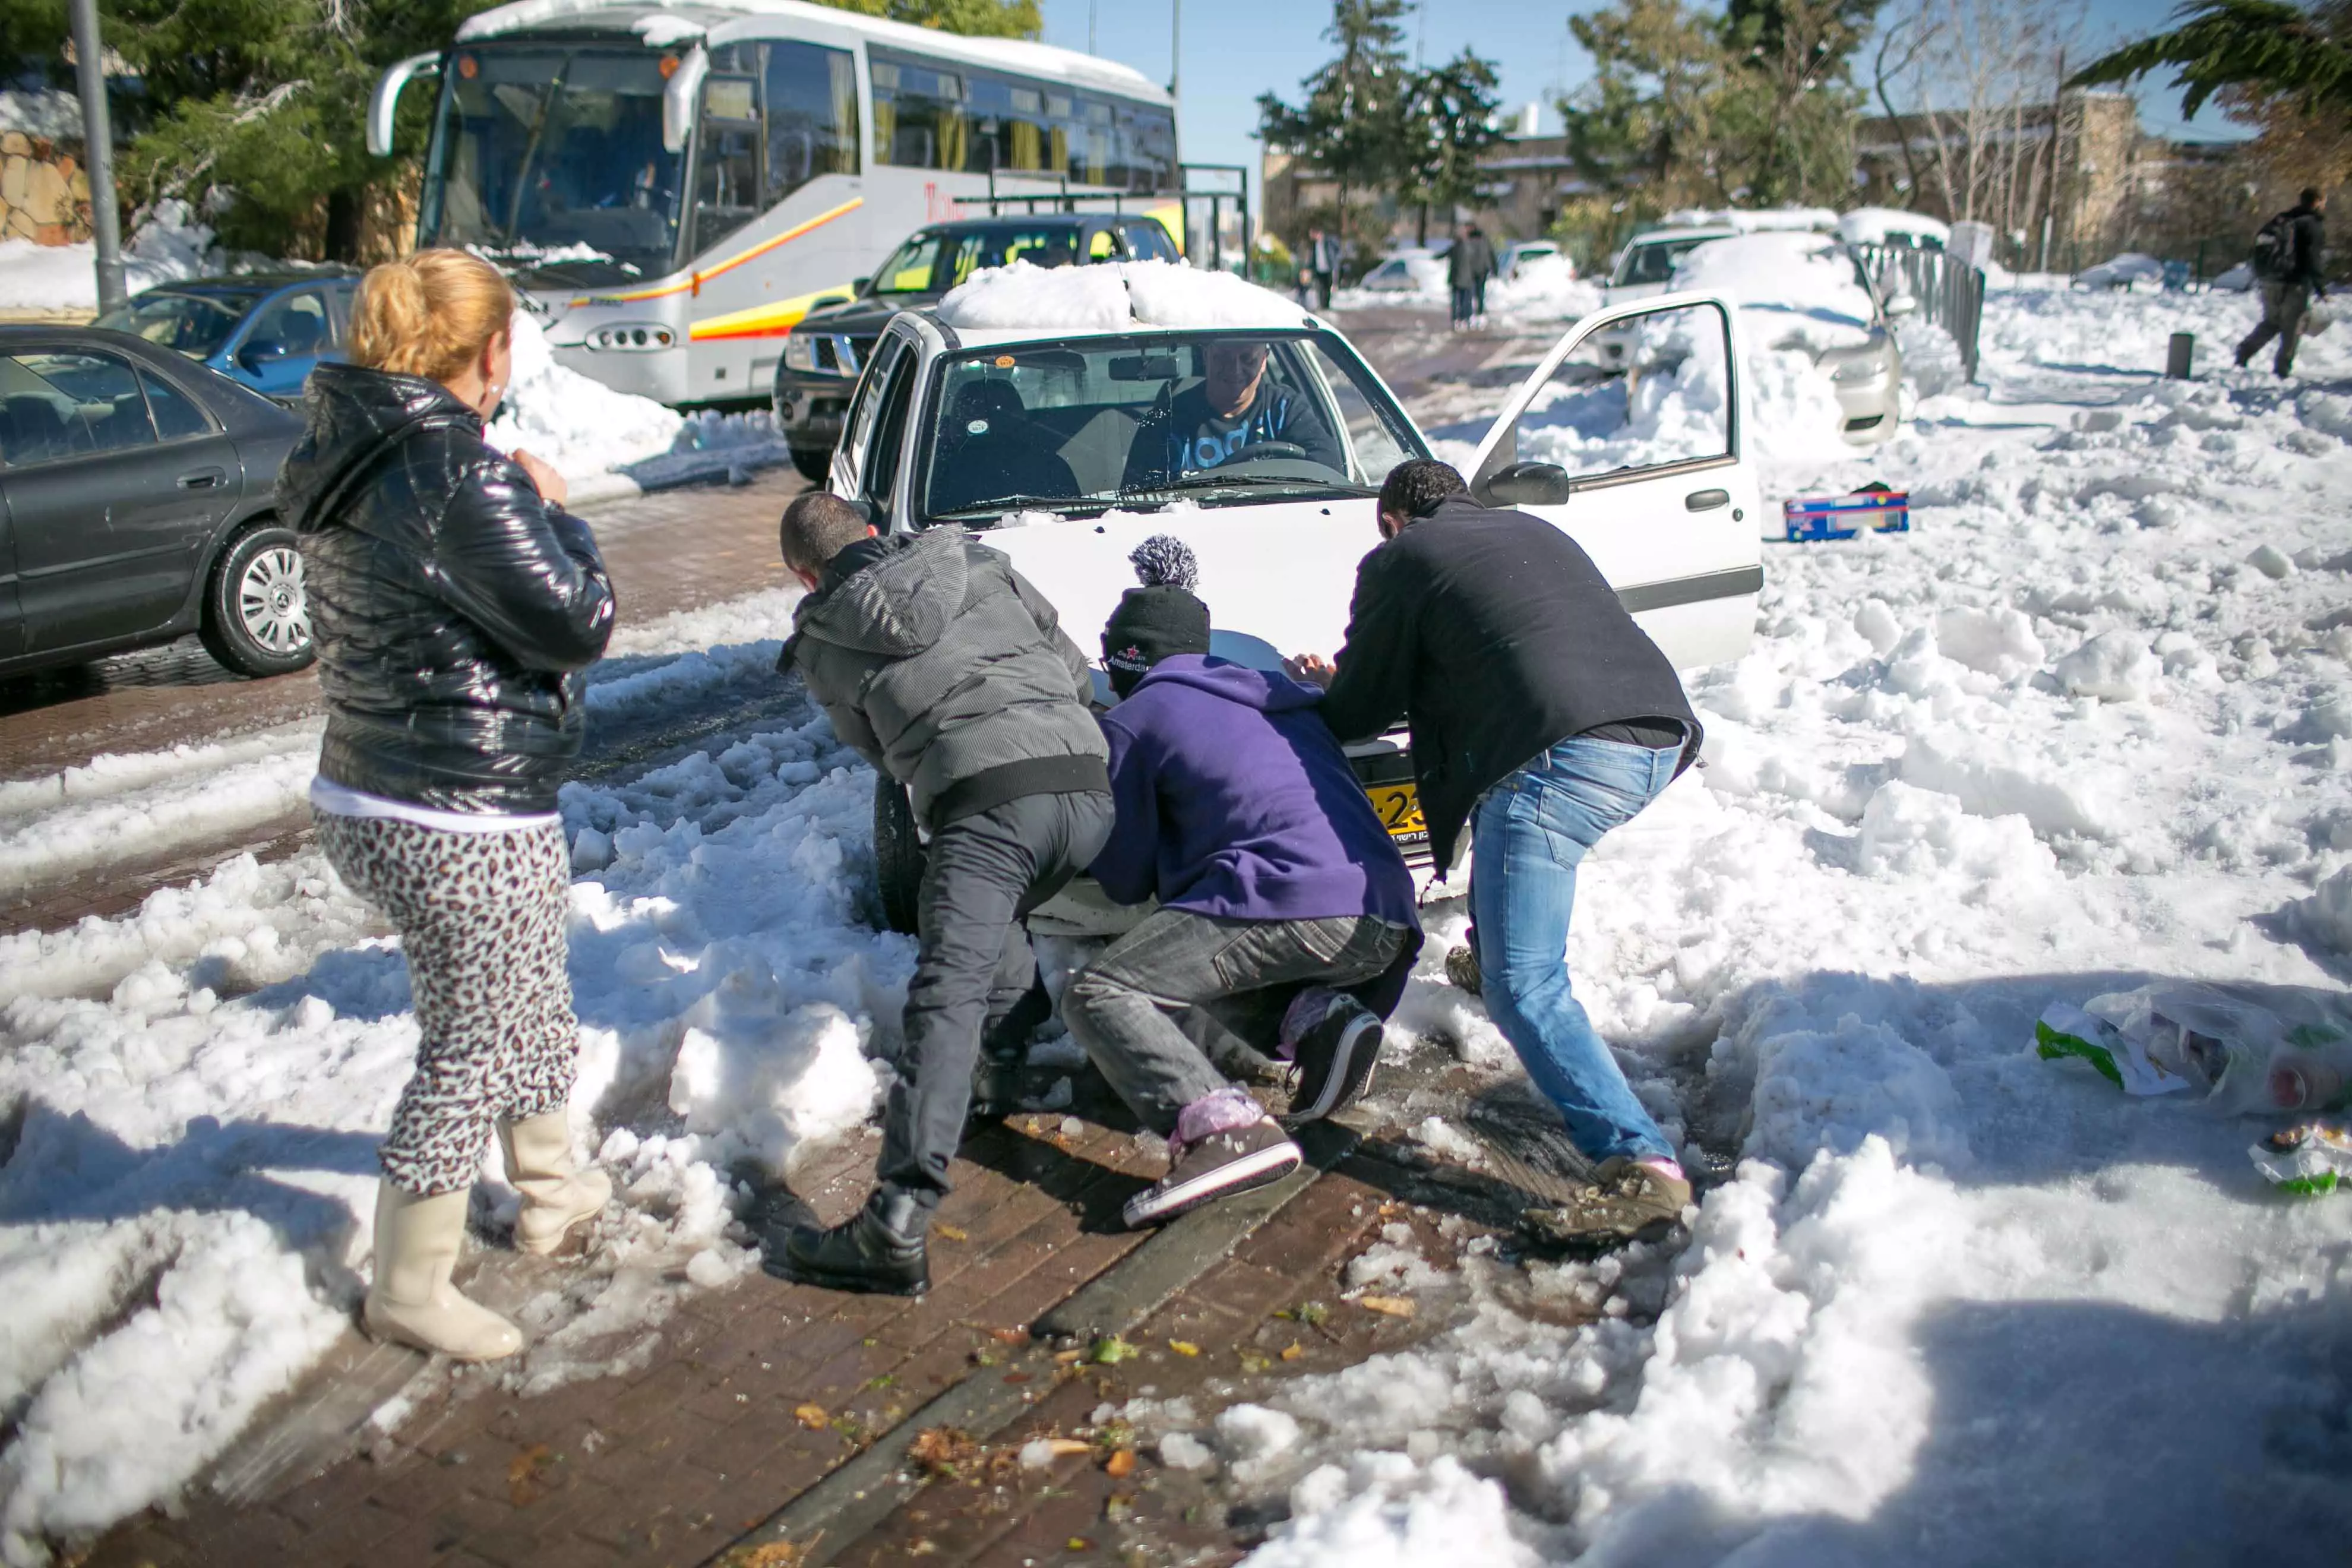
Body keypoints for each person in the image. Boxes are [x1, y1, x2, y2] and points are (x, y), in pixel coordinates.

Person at [279, 249, 618, 1361]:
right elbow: (574, 621)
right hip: (458, 809)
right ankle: (409, 1285)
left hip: (368, 785)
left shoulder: (347, 449)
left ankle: (554, 1189)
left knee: (531, 990)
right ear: (490, 351)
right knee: (472, 1040)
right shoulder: (461, 475)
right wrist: (555, 510)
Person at [1285, 460, 1703, 1248]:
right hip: (1655, 737)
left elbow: (1361, 705)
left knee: (1528, 985)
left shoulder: (1402, 557)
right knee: (1511, 825)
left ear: (1393, 519)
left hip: (1566, 756)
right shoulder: (1532, 531)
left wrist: (1320, 687)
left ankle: (1642, 1167)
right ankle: (1486, 953)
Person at [774, 492, 1114, 1295]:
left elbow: (879, 751)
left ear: (802, 574)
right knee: (986, 916)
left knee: (945, 989)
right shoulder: (978, 560)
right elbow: (1072, 669)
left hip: (988, 804)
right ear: (869, 529)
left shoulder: (824, 641)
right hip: (1090, 790)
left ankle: (895, 1223)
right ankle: (998, 1063)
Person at [1067, 537, 1423, 1228]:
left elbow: (1122, 876)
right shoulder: (1284, 699)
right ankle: (1323, 1025)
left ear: (1123, 661)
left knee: (1104, 989)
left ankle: (1223, 1136)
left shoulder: (1136, 719)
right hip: (1385, 917)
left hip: (1293, 901)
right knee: (1201, 967)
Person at [1123, 339, 1346, 488]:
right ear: (1206, 356)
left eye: (1248, 359)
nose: (1235, 369)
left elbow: (1329, 469)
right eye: (1223, 358)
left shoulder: (1284, 408)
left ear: (1264, 361)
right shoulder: (1169, 419)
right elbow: (1137, 496)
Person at [2237, 187, 2328, 377]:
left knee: (2272, 322)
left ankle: (2245, 350)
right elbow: (2313, 258)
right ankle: (2283, 369)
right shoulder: (2313, 224)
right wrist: (2321, 288)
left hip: (2271, 280)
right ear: (2318, 201)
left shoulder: (2284, 219)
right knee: (2293, 326)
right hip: (2296, 284)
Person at [1446, 223, 1494, 331]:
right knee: (1477, 294)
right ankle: (1476, 314)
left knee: (1465, 297)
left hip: (1469, 274)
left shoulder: (1465, 245)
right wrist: (1491, 269)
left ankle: (1463, 318)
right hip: (1479, 271)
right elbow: (1490, 255)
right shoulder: (1482, 242)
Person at [1305, 228, 1340, 311]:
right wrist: (1309, 267)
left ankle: (1326, 305)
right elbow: (1313, 258)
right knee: (1320, 288)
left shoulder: (1328, 242)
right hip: (1319, 269)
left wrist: (1334, 264)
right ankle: (1322, 305)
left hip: (1327, 269)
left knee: (1327, 288)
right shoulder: (1315, 245)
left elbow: (1335, 252)